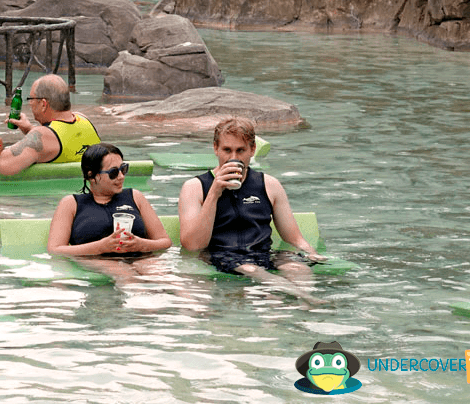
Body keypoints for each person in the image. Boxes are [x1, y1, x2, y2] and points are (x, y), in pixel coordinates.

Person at [177, 117, 326, 298]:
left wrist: (311, 252)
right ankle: (308, 299)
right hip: (221, 255)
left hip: (263, 253)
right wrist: (215, 192)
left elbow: (294, 237)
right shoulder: (194, 187)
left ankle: (303, 305)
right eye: (227, 150)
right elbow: (192, 245)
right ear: (215, 148)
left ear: (252, 150)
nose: (233, 158)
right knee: (252, 270)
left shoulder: (269, 185)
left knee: (298, 269)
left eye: (241, 150)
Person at [48, 143, 171, 258]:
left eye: (123, 169)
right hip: (97, 262)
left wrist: (142, 245)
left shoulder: (135, 197)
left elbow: (164, 242)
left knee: (160, 275)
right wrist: (100, 247)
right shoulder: (71, 204)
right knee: (124, 274)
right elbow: (55, 249)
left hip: (142, 259)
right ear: (92, 176)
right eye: (113, 172)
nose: (121, 176)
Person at [0, 74, 100, 175]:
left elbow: (4, 165)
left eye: (31, 99)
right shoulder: (83, 119)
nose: (30, 104)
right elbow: (60, 138)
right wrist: (29, 129)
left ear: (43, 104)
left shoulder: (43, 135)